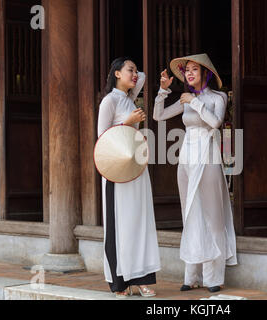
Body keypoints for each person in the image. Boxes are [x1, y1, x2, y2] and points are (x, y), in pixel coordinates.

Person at [153, 54, 237, 293]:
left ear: (205, 73)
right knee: (190, 213)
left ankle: (214, 277)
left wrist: (195, 102)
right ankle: (191, 275)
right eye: (186, 70)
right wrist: (162, 91)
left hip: (208, 156)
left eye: (193, 70)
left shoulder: (217, 97)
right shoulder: (184, 98)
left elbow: (215, 122)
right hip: (187, 158)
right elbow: (158, 116)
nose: (188, 74)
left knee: (213, 216)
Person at [98, 57, 161, 298]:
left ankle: (142, 278)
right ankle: (119, 283)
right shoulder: (110, 101)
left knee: (138, 221)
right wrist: (128, 122)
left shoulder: (127, 98)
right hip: (116, 170)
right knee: (118, 224)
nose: (136, 74)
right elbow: (101, 136)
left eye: (135, 70)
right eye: (129, 70)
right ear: (116, 73)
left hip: (136, 167)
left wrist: (131, 74)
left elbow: (142, 78)